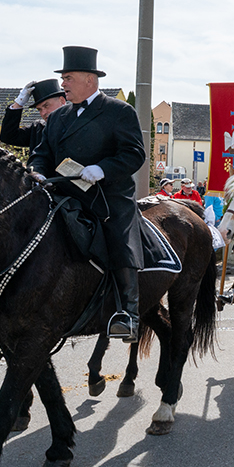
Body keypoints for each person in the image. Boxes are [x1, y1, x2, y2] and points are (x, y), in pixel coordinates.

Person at [28, 46, 145, 343]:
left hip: (106, 195)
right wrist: (37, 171)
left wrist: (103, 168)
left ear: (89, 80)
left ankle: (128, 314)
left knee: (119, 235)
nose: (63, 83)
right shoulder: (58, 117)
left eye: (68, 78)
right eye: (63, 78)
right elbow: (42, 154)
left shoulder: (119, 111)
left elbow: (134, 154)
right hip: (64, 193)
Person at [0, 79, 68, 154]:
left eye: (46, 105)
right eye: (39, 109)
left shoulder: (75, 124)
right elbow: (8, 136)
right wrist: (19, 103)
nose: (43, 113)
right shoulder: (37, 129)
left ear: (62, 101)